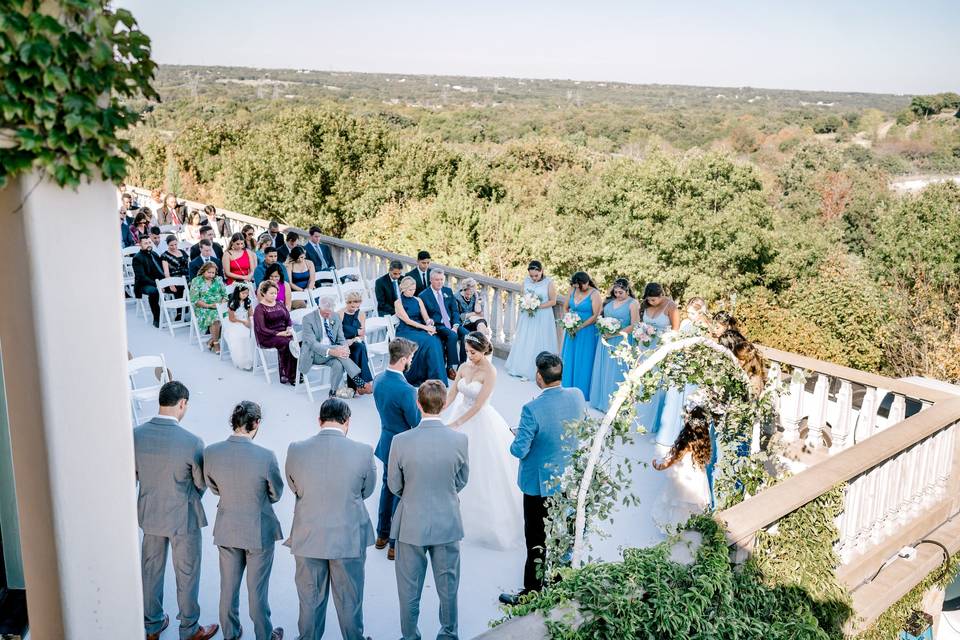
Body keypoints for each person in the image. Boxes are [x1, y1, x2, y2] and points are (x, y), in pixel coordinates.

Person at [133, 381, 219, 640]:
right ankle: (189, 629)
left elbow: (133, 475)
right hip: (184, 517)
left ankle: (152, 626)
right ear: (182, 404)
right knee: (187, 574)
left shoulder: (136, 435)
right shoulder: (191, 442)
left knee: (150, 571)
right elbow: (201, 482)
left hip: (150, 514)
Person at [286, 399, 377, 640]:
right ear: (347, 422)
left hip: (308, 535)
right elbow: (366, 491)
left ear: (319, 420)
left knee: (309, 599)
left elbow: (294, 486)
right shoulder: (364, 451)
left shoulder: (296, 449)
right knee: (350, 599)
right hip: (348, 537)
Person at [501, 352, 586, 604]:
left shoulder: (532, 409)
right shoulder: (577, 395)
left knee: (536, 539)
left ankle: (532, 591)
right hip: (569, 478)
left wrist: (518, 435)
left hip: (539, 485)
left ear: (539, 376)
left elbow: (519, 450)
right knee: (562, 532)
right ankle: (559, 580)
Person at [388, 380, 469, 640]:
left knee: (408, 589)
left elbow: (394, 485)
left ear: (417, 404)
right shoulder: (459, 439)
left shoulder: (400, 441)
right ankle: (448, 635)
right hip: (447, 521)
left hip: (411, 522)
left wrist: (413, 494)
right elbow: (461, 480)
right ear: (444, 405)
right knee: (449, 587)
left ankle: (410, 636)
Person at [203, 401, 284, 640]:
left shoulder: (212, 452)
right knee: (257, 592)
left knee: (228, 589)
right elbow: (276, 494)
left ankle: (231, 634)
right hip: (259, 532)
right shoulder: (266, 456)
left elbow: (214, 488)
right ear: (256, 423)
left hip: (227, 528)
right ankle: (264, 636)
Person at [443, 332, 523, 550]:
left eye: (474, 352)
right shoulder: (463, 367)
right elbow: (452, 394)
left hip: (479, 420)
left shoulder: (490, 371)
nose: (470, 356)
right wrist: (439, 412)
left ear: (483, 350)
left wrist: (457, 423)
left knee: (482, 466)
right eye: (467, 351)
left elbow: (479, 404)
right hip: (459, 413)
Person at [373, 338, 421, 560]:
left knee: (386, 488)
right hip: (402, 446)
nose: (411, 360)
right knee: (399, 492)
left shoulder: (379, 380)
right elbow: (415, 422)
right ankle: (394, 544)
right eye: (410, 357)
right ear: (403, 360)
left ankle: (381, 535)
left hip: (385, 440)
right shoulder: (407, 390)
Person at [656, 297, 710, 448]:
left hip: (692, 367)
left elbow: (704, 350)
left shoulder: (704, 327)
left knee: (687, 401)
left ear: (701, 312)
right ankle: (667, 434)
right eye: (688, 312)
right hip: (678, 363)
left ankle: (683, 437)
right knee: (672, 398)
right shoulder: (686, 322)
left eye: (693, 313)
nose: (690, 315)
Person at [651, 406, 714, 533]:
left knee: (678, 507)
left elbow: (673, 460)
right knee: (688, 508)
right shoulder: (702, 445)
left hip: (683, 480)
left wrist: (659, 466)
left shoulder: (686, 444)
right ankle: (686, 530)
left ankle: (675, 532)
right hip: (696, 481)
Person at [299, 297, 373, 398]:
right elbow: (313, 344)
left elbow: (341, 337)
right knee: (339, 351)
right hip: (314, 354)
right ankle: (360, 382)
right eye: (326, 313)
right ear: (319, 308)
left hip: (334, 352)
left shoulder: (335, 316)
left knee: (338, 364)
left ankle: (333, 392)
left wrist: (345, 347)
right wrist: (333, 351)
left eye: (330, 312)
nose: (329, 315)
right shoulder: (308, 319)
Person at [635, 282, 681, 438]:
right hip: (645, 347)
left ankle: (653, 422)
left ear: (661, 295)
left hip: (661, 349)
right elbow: (641, 323)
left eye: (654, 300)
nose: (651, 302)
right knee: (642, 381)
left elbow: (676, 331)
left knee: (656, 384)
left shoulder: (671, 306)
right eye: (649, 300)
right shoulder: (645, 305)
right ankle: (639, 418)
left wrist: (664, 340)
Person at [589, 278, 640, 412]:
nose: (617, 295)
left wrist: (615, 334)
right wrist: (603, 327)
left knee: (617, 371)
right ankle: (602, 401)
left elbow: (635, 324)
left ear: (627, 291)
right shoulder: (610, 302)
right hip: (606, 339)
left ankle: (615, 404)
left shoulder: (633, 303)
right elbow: (602, 317)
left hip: (622, 340)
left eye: (620, 292)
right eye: (616, 292)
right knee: (605, 369)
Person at [505, 261, 559, 380]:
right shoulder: (526, 281)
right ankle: (522, 367)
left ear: (541, 271)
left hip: (543, 315)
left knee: (539, 340)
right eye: (531, 276)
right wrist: (527, 303)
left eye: (536, 275)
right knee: (526, 339)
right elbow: (523, 296)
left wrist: (536, 306)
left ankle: (542, 370)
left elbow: (553, 301)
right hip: (528, 316)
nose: (534, 278)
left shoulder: (549, 283)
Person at [393, 276, 447, 386]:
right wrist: (425, 328)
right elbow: (408, 321)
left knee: (435, 339)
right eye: (410, 290)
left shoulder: (418, 300)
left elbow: (426, 317)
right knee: (428, 341)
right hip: (406, 331)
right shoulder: (398, 303)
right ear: (403, 289)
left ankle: (436, 379)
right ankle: (422, 377)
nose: (412, 292)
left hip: (420, 329)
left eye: (414, 289)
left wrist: (429, 324)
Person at [560, 271, 602, 399]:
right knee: (569, 357)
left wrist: (580, 326)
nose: (577, 288)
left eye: (580, 286)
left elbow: (596, 314)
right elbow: (565, 307)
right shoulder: (572, 289)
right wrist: (569, 320)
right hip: (571, 329)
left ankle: (582, 391)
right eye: (576, 286)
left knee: (584, 359)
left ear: (587, 282)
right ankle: (566, 388)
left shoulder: (595, 294)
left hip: (587, 331)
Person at [419, 269, 466, 380]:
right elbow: (424, 316)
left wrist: (455, 325)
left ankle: (462, 365)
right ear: (430, 280)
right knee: (452, 335)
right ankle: (450, 367)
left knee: (467, 335)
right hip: (438, 325)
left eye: (441, 280)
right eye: (437, 280)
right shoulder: (423, 296)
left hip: (451, 324)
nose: (440, 282)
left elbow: (454, 311)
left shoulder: (448, 291)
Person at [253, 281, 297, 385]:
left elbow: (288, 319)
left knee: (297, 341)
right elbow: (262, 328)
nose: (274, 295)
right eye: (271, 293)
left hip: (283, 332)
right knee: (287, 343)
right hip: (267, 336)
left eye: (275, 293)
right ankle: (289, 375)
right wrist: (279, 333)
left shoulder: (280, 304)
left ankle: (296, 372)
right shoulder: (259, 309)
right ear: (264, 293)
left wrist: (288, 328)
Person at [340, 291, 374, 392]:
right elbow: (338, 333)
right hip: (343, 343)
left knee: (360, 347)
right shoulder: (340, 313)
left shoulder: (361, 314)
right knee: (359, 349)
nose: (355, 309)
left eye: (357, 307)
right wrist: (354, 332)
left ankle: (358, 385)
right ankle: (362, 384)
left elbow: (362, 334)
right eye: (352, 307)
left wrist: (353, 339)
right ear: (348, 303)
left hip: (356, 341)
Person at [190, 262, 228, 354]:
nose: (211, 275)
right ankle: (216, 343)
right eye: (209, 272)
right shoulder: (196, 281)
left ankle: (211, 340)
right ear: (203, 271)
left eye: (213, 273)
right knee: (215, 318)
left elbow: (225, 295)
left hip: (219, 306)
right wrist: (209, 306)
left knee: (230, 316)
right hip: (203, 308)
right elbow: (194, 300)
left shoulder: (218, 279)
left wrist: (221, 305)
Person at [132, 235, 165, 327]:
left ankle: (179, 315)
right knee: (154, 291)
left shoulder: (154, 254)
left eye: (150, 242)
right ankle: (157, 318)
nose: (149, 244)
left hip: (158, 281)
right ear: (140, 245)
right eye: (145, 243)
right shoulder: (137, 258)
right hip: (144, 284)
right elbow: (142, 277)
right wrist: (157, 285)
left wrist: (165, 282)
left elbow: (160, 270)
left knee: (176, 286)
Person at [223, 284, 254, 370]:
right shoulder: (233, 303)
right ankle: (242, 360)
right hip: (235, 321)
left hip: (245, 320)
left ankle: (253, 359)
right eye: (243, 293)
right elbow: (232, 318)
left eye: (247, 293)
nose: (245, 295)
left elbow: (251, 314)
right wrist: (243, 322)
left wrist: (249, 322)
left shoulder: (248, 302)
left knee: (253, 333)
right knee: (241, 335)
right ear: (238, 293)